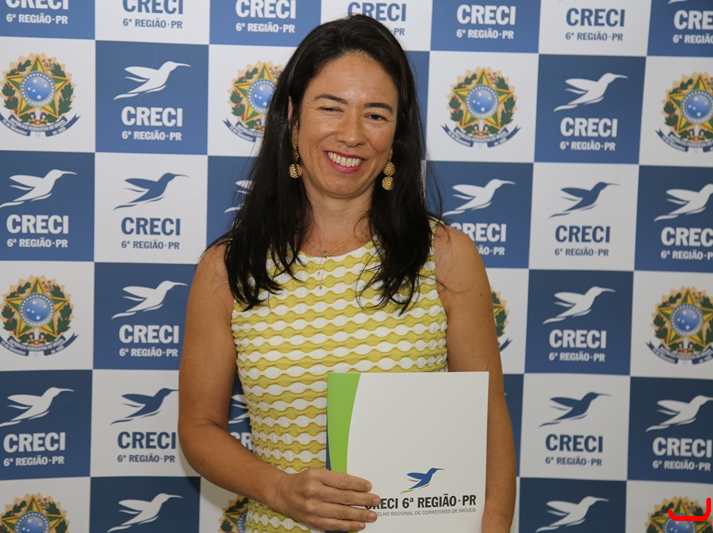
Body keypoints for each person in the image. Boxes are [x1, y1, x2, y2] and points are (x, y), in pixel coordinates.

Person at [178, 14, 515, 533]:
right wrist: (280, 489)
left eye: (376, 114)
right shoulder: (228, 268)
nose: (352, 134)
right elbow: (199, 429)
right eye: (331, 107)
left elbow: (489, 422)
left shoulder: (446, 256)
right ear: (293, 117)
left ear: (397, 134)